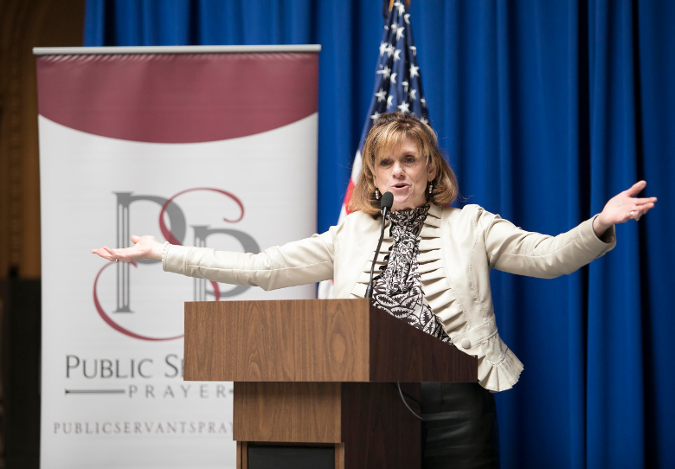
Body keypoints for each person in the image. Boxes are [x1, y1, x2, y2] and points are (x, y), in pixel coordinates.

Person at [93, 113, 657, 469]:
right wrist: (165, 252)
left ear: (431, 168)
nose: (397, 173)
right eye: (384, 163)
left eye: (408, 160)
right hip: (368, 399)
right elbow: (263, 267)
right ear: (373, 175)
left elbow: (549, 258)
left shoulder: (471, 224)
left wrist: (599, 223)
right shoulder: (351, 233)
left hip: (457, 399)